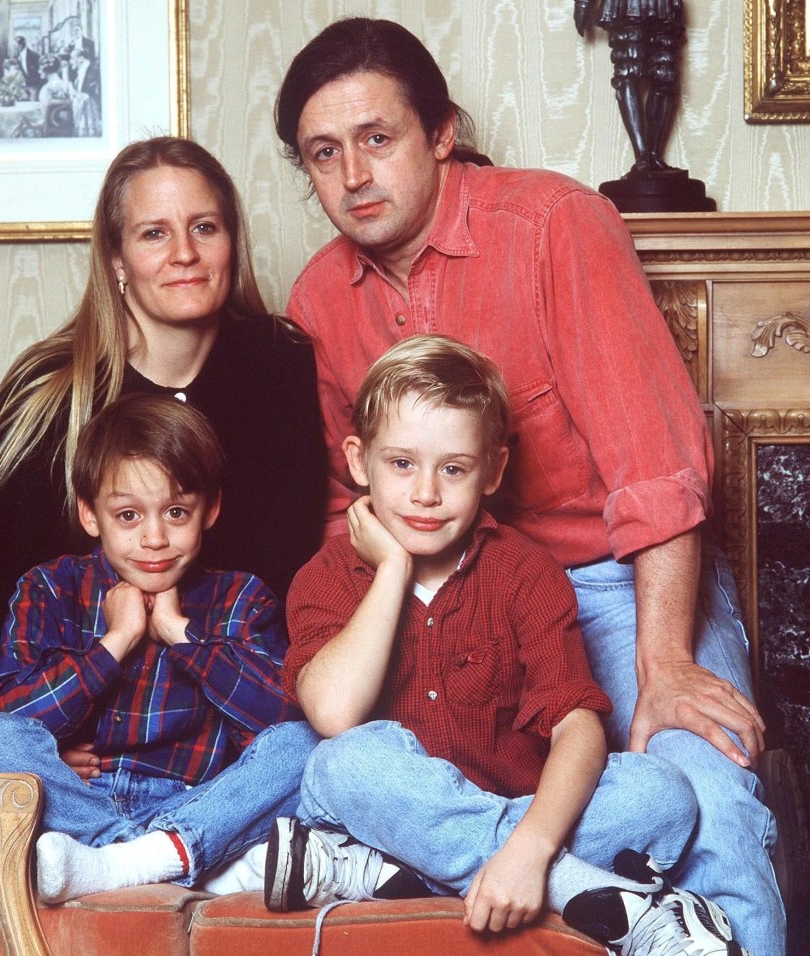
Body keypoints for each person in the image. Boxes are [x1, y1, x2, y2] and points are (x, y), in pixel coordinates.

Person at [273, 17, 782, 955]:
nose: (352, 176)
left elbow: (659, 470)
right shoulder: (318, 298)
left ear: (441, 133)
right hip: (449, 595)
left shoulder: (554, 225)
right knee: (349, 769)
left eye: (377, 139)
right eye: (323, 153)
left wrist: (665, 666)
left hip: (622, 582)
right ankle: (589, 890)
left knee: (702, 789)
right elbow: (351, 510)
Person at [263, 336, 746, 955]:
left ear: (492, 470)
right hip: (388, 810)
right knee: (342, 763)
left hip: (509, 815)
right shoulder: (325, 578)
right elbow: (334, 714)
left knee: (663, 795)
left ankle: (405, 877)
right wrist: (390, 570)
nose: (426, 494)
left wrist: (529, 848)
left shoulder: (526, 573)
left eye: (454, 468)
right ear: (359, 462)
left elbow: (577, 726)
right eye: (402, 464)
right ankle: (580, 890)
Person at [0, 136, 325, 759]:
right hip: (1, 698)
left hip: (193, 712)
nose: (186, 254)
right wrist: (35, 738)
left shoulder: (282, 369)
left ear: (232, 241)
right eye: (153, 234)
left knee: (310, 754)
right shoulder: (52, 393)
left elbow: (292, 574)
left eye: (204, 227)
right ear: (116, 259)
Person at [0, 394, 317, 903]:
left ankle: (126, 860)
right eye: (127, 515)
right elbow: (10, 713)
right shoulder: (51, 587)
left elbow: (275, 719)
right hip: (75, 802)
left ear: (209, 510)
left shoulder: (240, 597)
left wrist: (179, 633)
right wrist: (115, 643)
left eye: (175, 512)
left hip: (191, 803)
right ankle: (147, 858)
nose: (154, 538)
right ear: (90, 514)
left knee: (308, 743)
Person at [574, 0, 683, 175]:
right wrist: (583, 4)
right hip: (626, 7)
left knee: (664, 75)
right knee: (628, 72)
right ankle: (641, 156)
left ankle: (654, 156)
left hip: (664, 6)